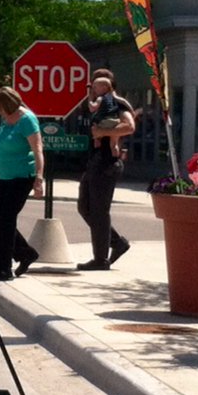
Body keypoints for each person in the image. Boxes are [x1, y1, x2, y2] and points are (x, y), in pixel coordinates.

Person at [76, 70, 136, 270]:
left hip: (107, 163)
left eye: (98, 84)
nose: (94, 87)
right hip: (94, 161)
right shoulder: (98, 104)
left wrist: (104, 132)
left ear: (110, 85)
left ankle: (100, 259)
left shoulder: (117, 103)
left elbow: (129, 126)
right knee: (84, 207)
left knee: (99, 212)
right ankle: (117, 242)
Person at [0, 87, 43, 282]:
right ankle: (25, 253)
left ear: (7, 104)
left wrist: (39, 178)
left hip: (22, 176)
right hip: (4, 175)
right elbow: (0, 145)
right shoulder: (6, 119)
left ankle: (2, 268)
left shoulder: (27, 120)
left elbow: (37, 150)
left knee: (6, 220)